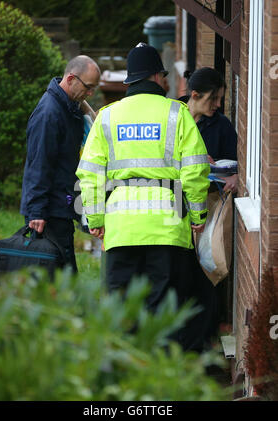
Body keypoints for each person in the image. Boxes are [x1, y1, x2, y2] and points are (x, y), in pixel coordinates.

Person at [76, 43, 210, 348]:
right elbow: (194, 171)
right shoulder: (178, 113)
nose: (165, 81)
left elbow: (90, 174)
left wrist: (95, 219)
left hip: (121, 231)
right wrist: (198, 216)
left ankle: (125, 379)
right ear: (154, 76)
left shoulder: (107, 117)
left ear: (130, 80)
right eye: (163, 76)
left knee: (121, 312)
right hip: (168, 230)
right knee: (164, 312)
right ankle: (161, 378)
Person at [20, 55, 101, 272]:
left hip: (62, 205)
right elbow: (39, 164)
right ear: (71, 79)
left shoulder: (69, 106)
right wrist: (36, 211)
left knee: (58, 276)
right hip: (50, 210)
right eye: (89, 87)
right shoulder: (49, 113)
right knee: (63, 276)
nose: (91, 93)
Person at [178, 67, 238, 352]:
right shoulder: (173, 117)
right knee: (179, 276)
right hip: (176, 211)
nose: (217, 105)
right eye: (213, 99)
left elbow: (237, 164)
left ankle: (202, 346)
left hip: (210, 211)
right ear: (194, 95)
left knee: (207, 277)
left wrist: (236, 176)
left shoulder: (222, 126)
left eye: (221, 99)